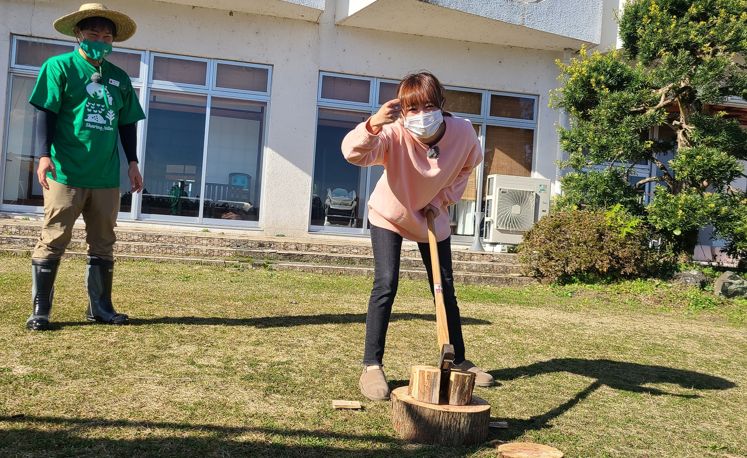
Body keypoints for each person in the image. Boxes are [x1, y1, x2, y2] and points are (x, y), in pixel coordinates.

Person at [341, 71, 494, 401]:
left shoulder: (463, 131)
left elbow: (470, 164)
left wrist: (444, 200)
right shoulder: (394, 133)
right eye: (412, 108)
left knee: (444, 288)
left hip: (432, 215)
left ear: (441, 104)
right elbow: (354, 154)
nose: (420, 115)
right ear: (403, 111)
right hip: (390, 214)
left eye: (427, 105)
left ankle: (459, 360)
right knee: (386, 282)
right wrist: (373, 125)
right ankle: (371, 366)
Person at [25, 3, 145, 331]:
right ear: (79, 34)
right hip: (66, 172)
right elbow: (45, 112)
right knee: (54, 237)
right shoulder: (59, 67)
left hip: (105, 177)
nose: (100, 40)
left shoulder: (119, 78)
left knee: (104, 241)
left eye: (107, 36)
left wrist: (132, 162)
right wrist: (43, 155)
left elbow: (127, 124)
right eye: (93, 34)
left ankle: (101, 308)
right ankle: (41, 311)